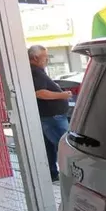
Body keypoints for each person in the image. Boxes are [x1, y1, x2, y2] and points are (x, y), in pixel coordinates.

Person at [28, 45, 72, 182]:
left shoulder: (36, 71)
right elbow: (41, 93)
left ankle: (53, 173)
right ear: (35, 58)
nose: (47, 59)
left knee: (50, 147)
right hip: (53, 118)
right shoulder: (35, 72)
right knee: (66, 146)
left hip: (49, 117)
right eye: (45, 56)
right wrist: (63, 95)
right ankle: (70, 175)